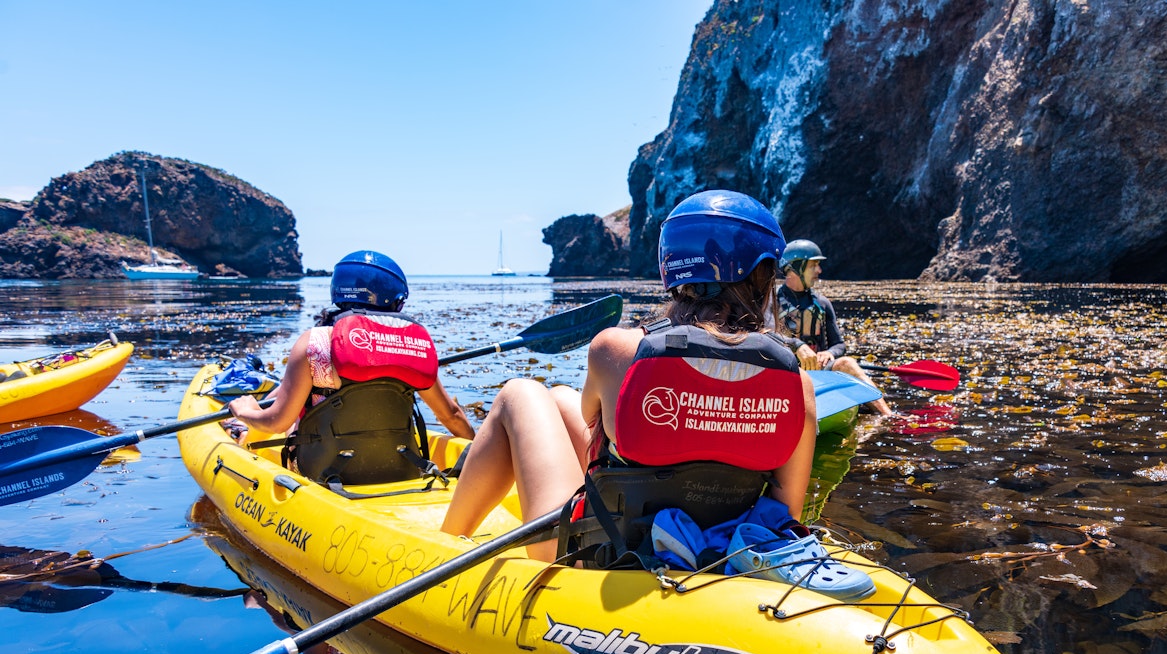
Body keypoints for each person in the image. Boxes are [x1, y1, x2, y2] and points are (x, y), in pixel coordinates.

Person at [441, 189, 818, 565]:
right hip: (723, 553)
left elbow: (594, 431)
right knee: (558, 397)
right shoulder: (796, 382)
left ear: (672, 263)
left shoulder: (614, 350)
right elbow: (787, 511)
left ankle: (442, 545)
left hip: (595, 552)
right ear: (766, 272)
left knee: (520, 393)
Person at [228, 251, 474, 484]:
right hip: (401, 467)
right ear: (396, 301)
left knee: (288, 409)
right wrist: (476, 451)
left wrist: (245, 410)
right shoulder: (411, 345)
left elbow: (277, 423)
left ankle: (240, 428)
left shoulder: (315, 342)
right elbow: (451, 415)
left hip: (321, 470)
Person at [777, 239, 892, 416]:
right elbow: (763, 335)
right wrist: (795, 344)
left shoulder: (822, 303)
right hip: (785, 371)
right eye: (813, 265)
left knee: (847, 362)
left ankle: (887, 415)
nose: (819, 271)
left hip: (819, 374)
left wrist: (830, 353)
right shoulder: (771, 302)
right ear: (794, 268)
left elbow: (839, 344)